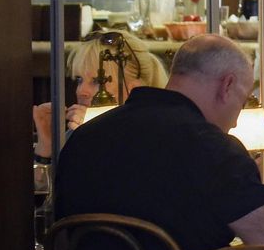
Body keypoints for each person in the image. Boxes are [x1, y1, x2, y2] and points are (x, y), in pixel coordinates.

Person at [54, 34, 264, 250]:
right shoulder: (212, 146)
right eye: (242, 100)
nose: (235, 121)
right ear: (228, 85)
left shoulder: (84, 139)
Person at [34, 29, 168, 159]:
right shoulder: (74, 132)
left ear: (134, 90)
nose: (81, 91)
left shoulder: (152, 139)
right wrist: (46, 147)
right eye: (80, 79)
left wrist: (98, 133)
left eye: (98, 81)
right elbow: (47, 182)